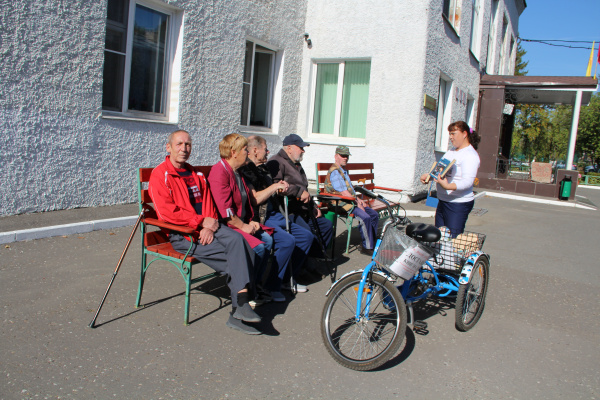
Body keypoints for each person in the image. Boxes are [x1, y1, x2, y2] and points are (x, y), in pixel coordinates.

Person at [148, 130, 262, 335]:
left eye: (188, 145)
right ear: (169, 147)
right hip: (184, 234)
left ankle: (241, 307)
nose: (184, 149)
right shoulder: (160, 174)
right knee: (235, 261)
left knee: (244, 243)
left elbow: (208, 203)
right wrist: (200, 223)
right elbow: (167, 213)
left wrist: (208, 225)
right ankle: (239, 309)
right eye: (179, 144)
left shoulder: (195, 174)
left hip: (208, 228)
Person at [240, 135, 314, 296]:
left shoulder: (263, 168)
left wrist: (281, 188)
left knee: (306, 236)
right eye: (265, 148)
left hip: (277, 213)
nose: (267, 151)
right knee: (288, 241)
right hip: (262, 216)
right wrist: (275, 187)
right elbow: (255, 199)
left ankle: (287, 279)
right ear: (255, 150)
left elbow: (275, 187)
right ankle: (272, 285)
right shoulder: (247, 170)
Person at [208, 133, 275, 304]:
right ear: (233, 152)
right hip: (226, 226)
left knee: (266, 240)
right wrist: (243, 226)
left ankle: (255, 284)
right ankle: (247, 290)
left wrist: (250, 221)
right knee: (259, 248)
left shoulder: (237, 172)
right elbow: (226, 212)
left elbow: (247, 202)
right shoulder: (219, 172)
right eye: (245, 149)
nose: (247, 153)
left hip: (240, 222)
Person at [267, 134, 334, 282]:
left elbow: (304, 188)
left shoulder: (296, 163)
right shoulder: (276, 162)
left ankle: (309, 259)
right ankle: (299, 269)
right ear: (289, 148)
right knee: (306, 233)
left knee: (326, 226)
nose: (303, 151)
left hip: (305, 209)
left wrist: (314, 206)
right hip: (289, 211)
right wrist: (296, 191)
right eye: (300, 147)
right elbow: (276, 186)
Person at [420, 121, 481, 238]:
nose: (451, 137)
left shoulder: (470, 155)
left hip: (458, 204)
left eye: (453, 134)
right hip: (443, 201)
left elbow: (467, 182)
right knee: (439, 237)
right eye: (450, 134)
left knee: (452, 240)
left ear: (464, 134)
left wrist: (448, 186)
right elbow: (440, 171)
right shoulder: (451, 151)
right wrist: (429, 176)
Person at [324, 145, 380, 255]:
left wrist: (359, 200)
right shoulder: (335, 172)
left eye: (347, 156)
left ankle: (372, 242)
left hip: (349, 201)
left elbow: (350, 191)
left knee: (373, 214)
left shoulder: (343, 171)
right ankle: (366, 247)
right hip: (340, 203)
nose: (345, 158)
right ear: (336, 156)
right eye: (343, 156)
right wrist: (356, 203)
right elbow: (344, 193)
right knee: (365, 217)